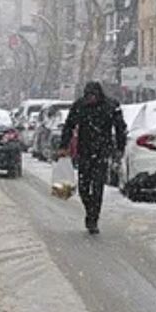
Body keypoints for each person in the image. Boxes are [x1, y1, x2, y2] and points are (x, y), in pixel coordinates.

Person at [58, 81, 126, 234]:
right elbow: (69, 125)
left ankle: (93, 219)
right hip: (84, 151)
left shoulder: (111, 105)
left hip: (102, 152)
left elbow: (120, 127)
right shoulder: (80, 106)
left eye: (93, 96)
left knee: (97, 187)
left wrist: (119, 148)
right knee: (83, 187)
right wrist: (63, 146)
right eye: (88, 96)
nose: (91, 99)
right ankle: (89, 208)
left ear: (99, 95)